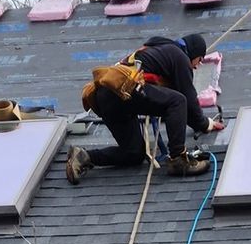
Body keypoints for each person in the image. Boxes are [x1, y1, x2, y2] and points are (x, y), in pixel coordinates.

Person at [67, 34, 224, 183]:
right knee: (178, 101)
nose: (197, 66)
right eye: (199, 60)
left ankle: (84, 156)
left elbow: (181, 112)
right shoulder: (179, 56)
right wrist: (205, 124)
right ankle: (178, 160)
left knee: (134, 153)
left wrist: (200, 122)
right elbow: (187, 100)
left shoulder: (157, 50)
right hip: (126, 90)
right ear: (194, 53)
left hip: (106, 96)